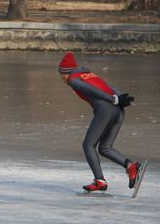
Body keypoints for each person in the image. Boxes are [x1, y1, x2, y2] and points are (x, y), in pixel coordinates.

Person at [58, 51, 143, 192]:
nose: (61, 79)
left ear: (64, 73)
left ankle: (99, 182)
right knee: (105, 148)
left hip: (106, 109)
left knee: (88, 145)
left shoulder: (73, 79)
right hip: (118, 110)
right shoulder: (87, 74)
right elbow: (108, 87)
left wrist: (113, 99)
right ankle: (130, 166)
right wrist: (120, 97)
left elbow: (92, 90)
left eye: (60, 75)